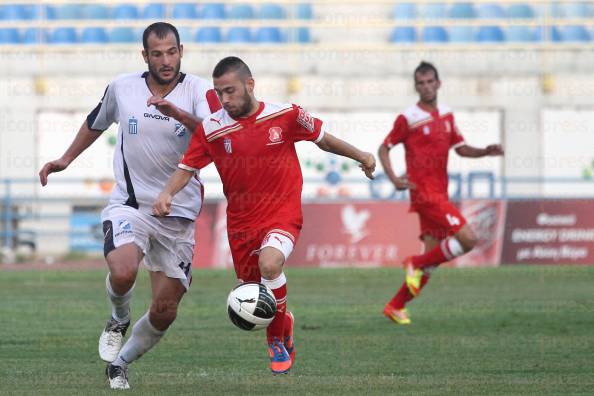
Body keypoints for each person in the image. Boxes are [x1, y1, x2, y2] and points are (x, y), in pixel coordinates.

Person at [152, 56, 376, 375]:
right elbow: (186, 169)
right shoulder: (212, 129)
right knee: (250, 291)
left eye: (230, 91)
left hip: (282, 213)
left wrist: (362, 155)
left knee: (270, 264)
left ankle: (276, 341)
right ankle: (285, 322)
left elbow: (323, 140)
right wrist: (166, 193)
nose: (224, 99)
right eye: (219, 92)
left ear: (250, 85)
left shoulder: (286, 115)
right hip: (241, 224)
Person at [38, 22, 220, 389]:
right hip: (131, 205)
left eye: (172, 52)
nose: (166, 60)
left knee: (165, 311)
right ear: (145, 56)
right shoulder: (123, 87)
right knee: (122, 271)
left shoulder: (200, 90)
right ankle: (118, 318)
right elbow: (95, 122)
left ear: (181, 50)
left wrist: (178, 114)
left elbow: (215, 134)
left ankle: (119, 364)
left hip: (178, 214)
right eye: (157, 53)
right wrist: (65, 159)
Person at [378, 61, 504, 325]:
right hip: (424, 195)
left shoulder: (446, 115)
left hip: (441, 194)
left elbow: (460, 148)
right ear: (416, 86)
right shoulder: (408, 117)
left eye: (429, 82)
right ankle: (414, 261)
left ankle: (395, 305)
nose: (425, 87)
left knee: (432, 262)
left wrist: (484, 151)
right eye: (421, 83)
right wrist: (393, 178)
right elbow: (384, 148)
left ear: (438, 83)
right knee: (468, 239)